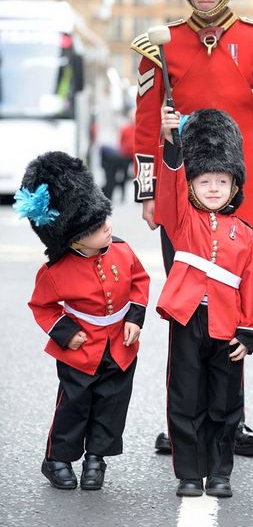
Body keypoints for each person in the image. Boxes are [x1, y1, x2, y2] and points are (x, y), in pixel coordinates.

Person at [131, 0, 253, 456]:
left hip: (238, 196)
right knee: (184, 309)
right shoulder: (160, 45)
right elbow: (146, 126)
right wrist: (150, 192)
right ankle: (183, 421)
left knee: (235, 308)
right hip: (180, 198)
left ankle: (230, 421)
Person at [13, 151, 150, 490]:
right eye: (94, 227)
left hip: (120, 346)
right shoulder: (55, 272)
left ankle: (95, 459)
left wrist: (135, 317)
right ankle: (57, 458)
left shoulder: (122, 249)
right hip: (81, 350)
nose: (106, 226)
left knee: (110, 407)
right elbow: (42, 306)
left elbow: (139, 281)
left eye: (103, 219)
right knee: (73, 408)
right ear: (72, 237)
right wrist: (66, 332)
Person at [157, 106, 253, 497]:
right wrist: (171, 141)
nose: (214, 188)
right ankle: (188, 473)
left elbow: (252, 284)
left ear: (236, 186)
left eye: (222, 180)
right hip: (188, 321)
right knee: (184, 399)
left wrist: (250, 333)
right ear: (191, 185)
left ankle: (220, 472)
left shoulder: (246, 233)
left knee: (224, 405)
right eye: (204, 180)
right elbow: (168, 184)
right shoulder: (181, 218)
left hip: (228, 326)